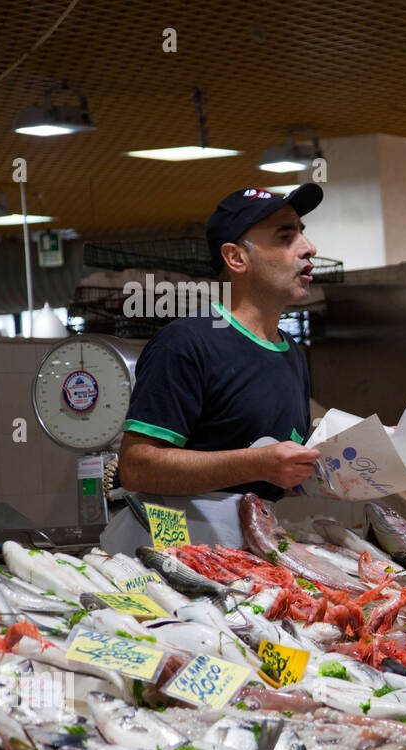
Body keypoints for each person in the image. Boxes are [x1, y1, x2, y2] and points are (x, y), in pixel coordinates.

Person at [101, 185, 324, 553]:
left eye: (302, 231)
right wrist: (259, 464)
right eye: (286, 236)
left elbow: (270, 461)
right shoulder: (187, 342)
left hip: (254, 544)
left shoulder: (291, 351)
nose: (309, 247)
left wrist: (351, 456)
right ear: (236, 258)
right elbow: (138, 466)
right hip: (179, 548)